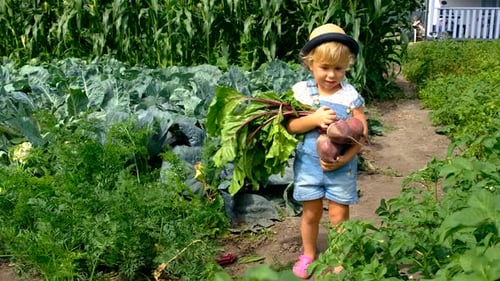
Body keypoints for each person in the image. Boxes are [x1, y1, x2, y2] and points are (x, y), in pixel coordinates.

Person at [285, 23, 368, 279]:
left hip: (342, 167)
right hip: (309, 166)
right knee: (310, 213)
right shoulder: (301, 93)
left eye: (338, 69)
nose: (331, 75)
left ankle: (339, 257)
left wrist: (345, 158)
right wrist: (314, 119)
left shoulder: (349, 94)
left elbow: (362, 131)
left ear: (347, 67)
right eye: (324, 68)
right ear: (310, 64)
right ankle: (308, 254)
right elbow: (291, 126)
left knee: (338, 214)